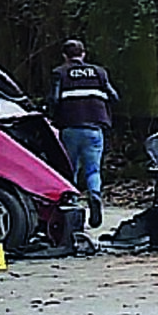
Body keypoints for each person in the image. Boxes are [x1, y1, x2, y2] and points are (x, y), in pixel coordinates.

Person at [47, 39, 119, 228]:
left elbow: (53, 100)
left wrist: (51, 116)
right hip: (94, 128)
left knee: (68, 169)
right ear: (83, 54)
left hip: (69, 128)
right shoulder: (99, 72)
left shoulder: (60, 73)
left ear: (65, 56)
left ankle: (71, 204)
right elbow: (114, 97)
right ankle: (94, 195)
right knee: (93, 169)